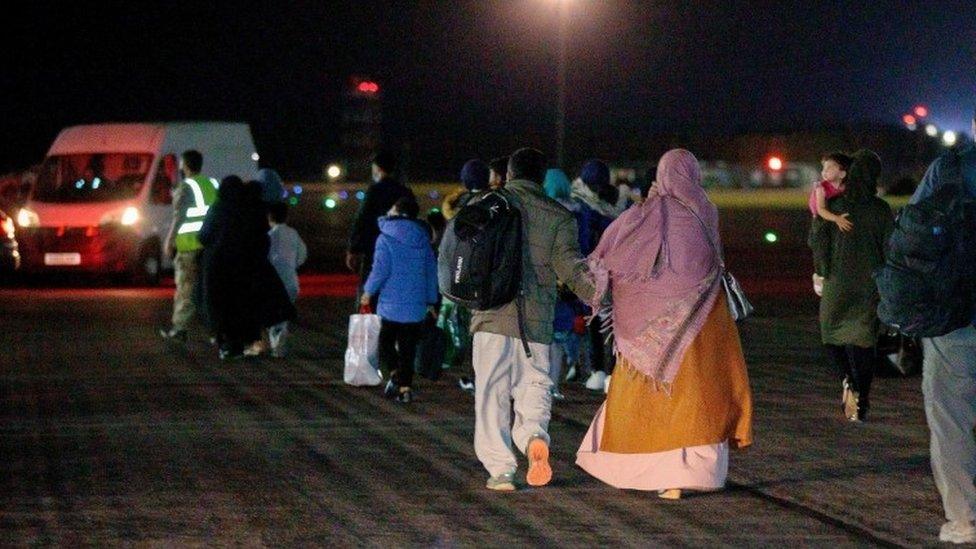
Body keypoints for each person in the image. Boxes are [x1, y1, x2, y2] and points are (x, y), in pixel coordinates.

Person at [576, 149, 753, 497]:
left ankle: (652, 471)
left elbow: (617, 252)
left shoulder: (651, 213)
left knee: (648, 395)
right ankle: (694, 474)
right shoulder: (706, 209)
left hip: (651, 329)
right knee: (699, 393)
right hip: (706, 318)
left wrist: (647, 206)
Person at [465, 147, 594, 491]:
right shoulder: (559, 216)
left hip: (491, 317)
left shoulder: (486, 205)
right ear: (541, 178)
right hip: (536, 323)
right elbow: (571, 269)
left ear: (508, 174)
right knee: (534, 386)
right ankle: (535, 437)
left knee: (491, 395)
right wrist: (599, 297)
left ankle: (501, 471)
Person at [909, 114, 976, 545]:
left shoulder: (948, 168)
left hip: (954, 314)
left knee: (951, 418)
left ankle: (966, 519)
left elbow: (913, 235)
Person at [808, 149, 894, 422]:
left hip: (837, 282)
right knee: (864, 342)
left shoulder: (836, 204)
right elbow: (890, 249)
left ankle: (848, 379)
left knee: (831, 336)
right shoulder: (881, 210)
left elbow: (818, 240)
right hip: (869, 285)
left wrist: (820, 272)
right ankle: (862, 397)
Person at [198, 177, 296, 360]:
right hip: (246, 267)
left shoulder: (218, 208)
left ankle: (227, 345)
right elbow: (262, 237)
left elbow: (203, 236)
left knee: (220, 306)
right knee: (241, 306)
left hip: (218, 267)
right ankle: (244, 342)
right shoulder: (251, 209)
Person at [361, 196, 438, 404]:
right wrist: (431, 300)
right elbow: (431, 272)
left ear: (397, 212)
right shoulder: (423, 238)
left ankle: (395, 374)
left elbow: (380, 270)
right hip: (415, 304)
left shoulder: (385, 238)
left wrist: (368, 291)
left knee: (385, 341)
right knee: (408, 348)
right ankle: (405, 388)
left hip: (391, 304)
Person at [571, 159, 621, 392]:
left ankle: (606, 371)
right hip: (595, 271)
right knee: (596, 322)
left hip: (608, 273)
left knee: (605, 323)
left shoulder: (597, 205)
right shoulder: (581, 206)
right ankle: (599, 370)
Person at [441, 160, 490, 393]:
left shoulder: (458, 206)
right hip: (487, 275)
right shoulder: (495, 203)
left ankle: (473, 375)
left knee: (470, 329)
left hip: (463, 276)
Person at [159, 150, 219, 342]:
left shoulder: (186, 187)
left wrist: (169, 241)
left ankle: (179, 329)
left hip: (189, 247)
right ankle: (216, 331)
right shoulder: (212, 184)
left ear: (184, 165)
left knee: (186, 289)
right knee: (208, 290)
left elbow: (179, 217)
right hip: (209, 246)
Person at [347, 151, 415, 307]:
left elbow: (362, 220)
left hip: (375, 249)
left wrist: (353, 248)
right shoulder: (404, 191)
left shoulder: (374, 191)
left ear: (376, 168)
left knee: (371, 291)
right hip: (401, 249)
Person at [265, 201, 307, 358]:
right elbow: (302, 255)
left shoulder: (269, 236)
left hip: (273, 283)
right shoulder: (293, 234)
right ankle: (279, 342)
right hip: (291, 282)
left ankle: (277, 345)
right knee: (282, 314)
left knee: (273, 314)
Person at [809, 152, 854, 232]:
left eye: (829, 168)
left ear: (842, 174)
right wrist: (837, 219)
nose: (824, 171)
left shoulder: (845, 187)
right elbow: (821, 209)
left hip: (831, 213)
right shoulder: (821, 188)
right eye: (824, 168)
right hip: (820, 217)